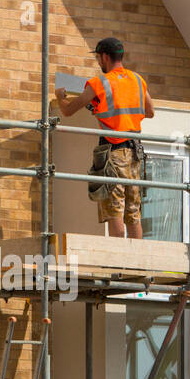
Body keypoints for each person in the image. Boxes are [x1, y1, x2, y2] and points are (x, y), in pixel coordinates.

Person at [54, 37, 154, 238]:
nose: (99, 62)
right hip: (135, 153)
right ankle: (136, 267)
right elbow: (150, 111)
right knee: (133, 212)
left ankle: (117, 267)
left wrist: (60, 97)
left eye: (99, 58)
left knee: (114, 210)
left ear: (106, 57)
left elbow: (68, 111)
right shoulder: (137, 80)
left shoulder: (99, 83)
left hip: (113, 153)